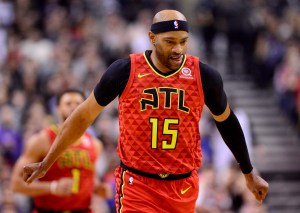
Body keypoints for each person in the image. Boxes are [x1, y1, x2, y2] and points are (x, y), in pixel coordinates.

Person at [22, 10, 269, 213]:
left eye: (183, 41)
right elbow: (84, 115)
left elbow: (227, 123)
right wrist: (47, 161)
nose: (178, 49)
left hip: (182, 186)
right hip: (137, 184)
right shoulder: (124, 70)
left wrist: (248, 172)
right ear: (152, 38)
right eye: (170, 41)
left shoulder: (204, 76)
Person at [11, 89, 111, 213]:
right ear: (57, 108)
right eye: (68, 103)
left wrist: (98, 187)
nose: (74, 107)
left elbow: (89, 176)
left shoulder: (95, 144)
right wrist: (52, 187)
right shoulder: (42, 139)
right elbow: (16, 184)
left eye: (79, 104)